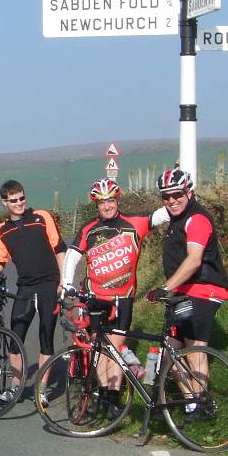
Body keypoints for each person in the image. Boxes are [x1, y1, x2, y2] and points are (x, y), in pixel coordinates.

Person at [60, 178, 168, 418]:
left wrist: (179, 192)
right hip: (94, 298)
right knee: (98, 349)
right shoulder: (89, 228)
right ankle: (105, 394)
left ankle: (112, 398)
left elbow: (163, 214)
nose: (106, 206)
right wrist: (67, 283)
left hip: (122, 298)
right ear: (96, 205)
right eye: (101, 202)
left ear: (117, 200)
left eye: (110, 200)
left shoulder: (134, 222)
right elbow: (73, 254)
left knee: (116, 348)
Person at [144, 167, 228, 420]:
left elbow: (194, 261)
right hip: (184, 292)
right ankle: (191, 404)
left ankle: (204, 403)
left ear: (189, 192)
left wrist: (165, 287)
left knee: (194, 348)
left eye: (176, 194)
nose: (171, 200)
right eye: (166, 196)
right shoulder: (176, 219)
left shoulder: (197, 219)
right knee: (170, 351)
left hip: (205, 289)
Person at [0, 180, 66, 405]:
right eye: (14, 200)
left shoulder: (41, 217)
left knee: (45, 337)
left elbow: (60, 249)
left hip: (49, 283)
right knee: (15, 338)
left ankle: (42, 389)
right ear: (4, 202)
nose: (19, 203)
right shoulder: (2, 230)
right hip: (25, 287)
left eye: (22, 198)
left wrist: (64, 281)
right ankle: (15, 388)